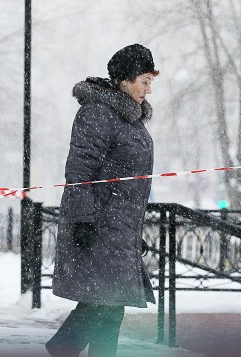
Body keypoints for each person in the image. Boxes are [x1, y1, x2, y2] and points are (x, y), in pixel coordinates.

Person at [46, 44, 159, 357]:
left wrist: (134, 231)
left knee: (110, 308)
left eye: (151, 82)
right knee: (100, 305)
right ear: (124, 80)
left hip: (119, 229)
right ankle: (60, 350)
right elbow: (80, 170)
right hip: (98, 227)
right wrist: (82, 221)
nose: (149, 89)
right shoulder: (98, 113)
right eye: (144, 81)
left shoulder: (129, 119)